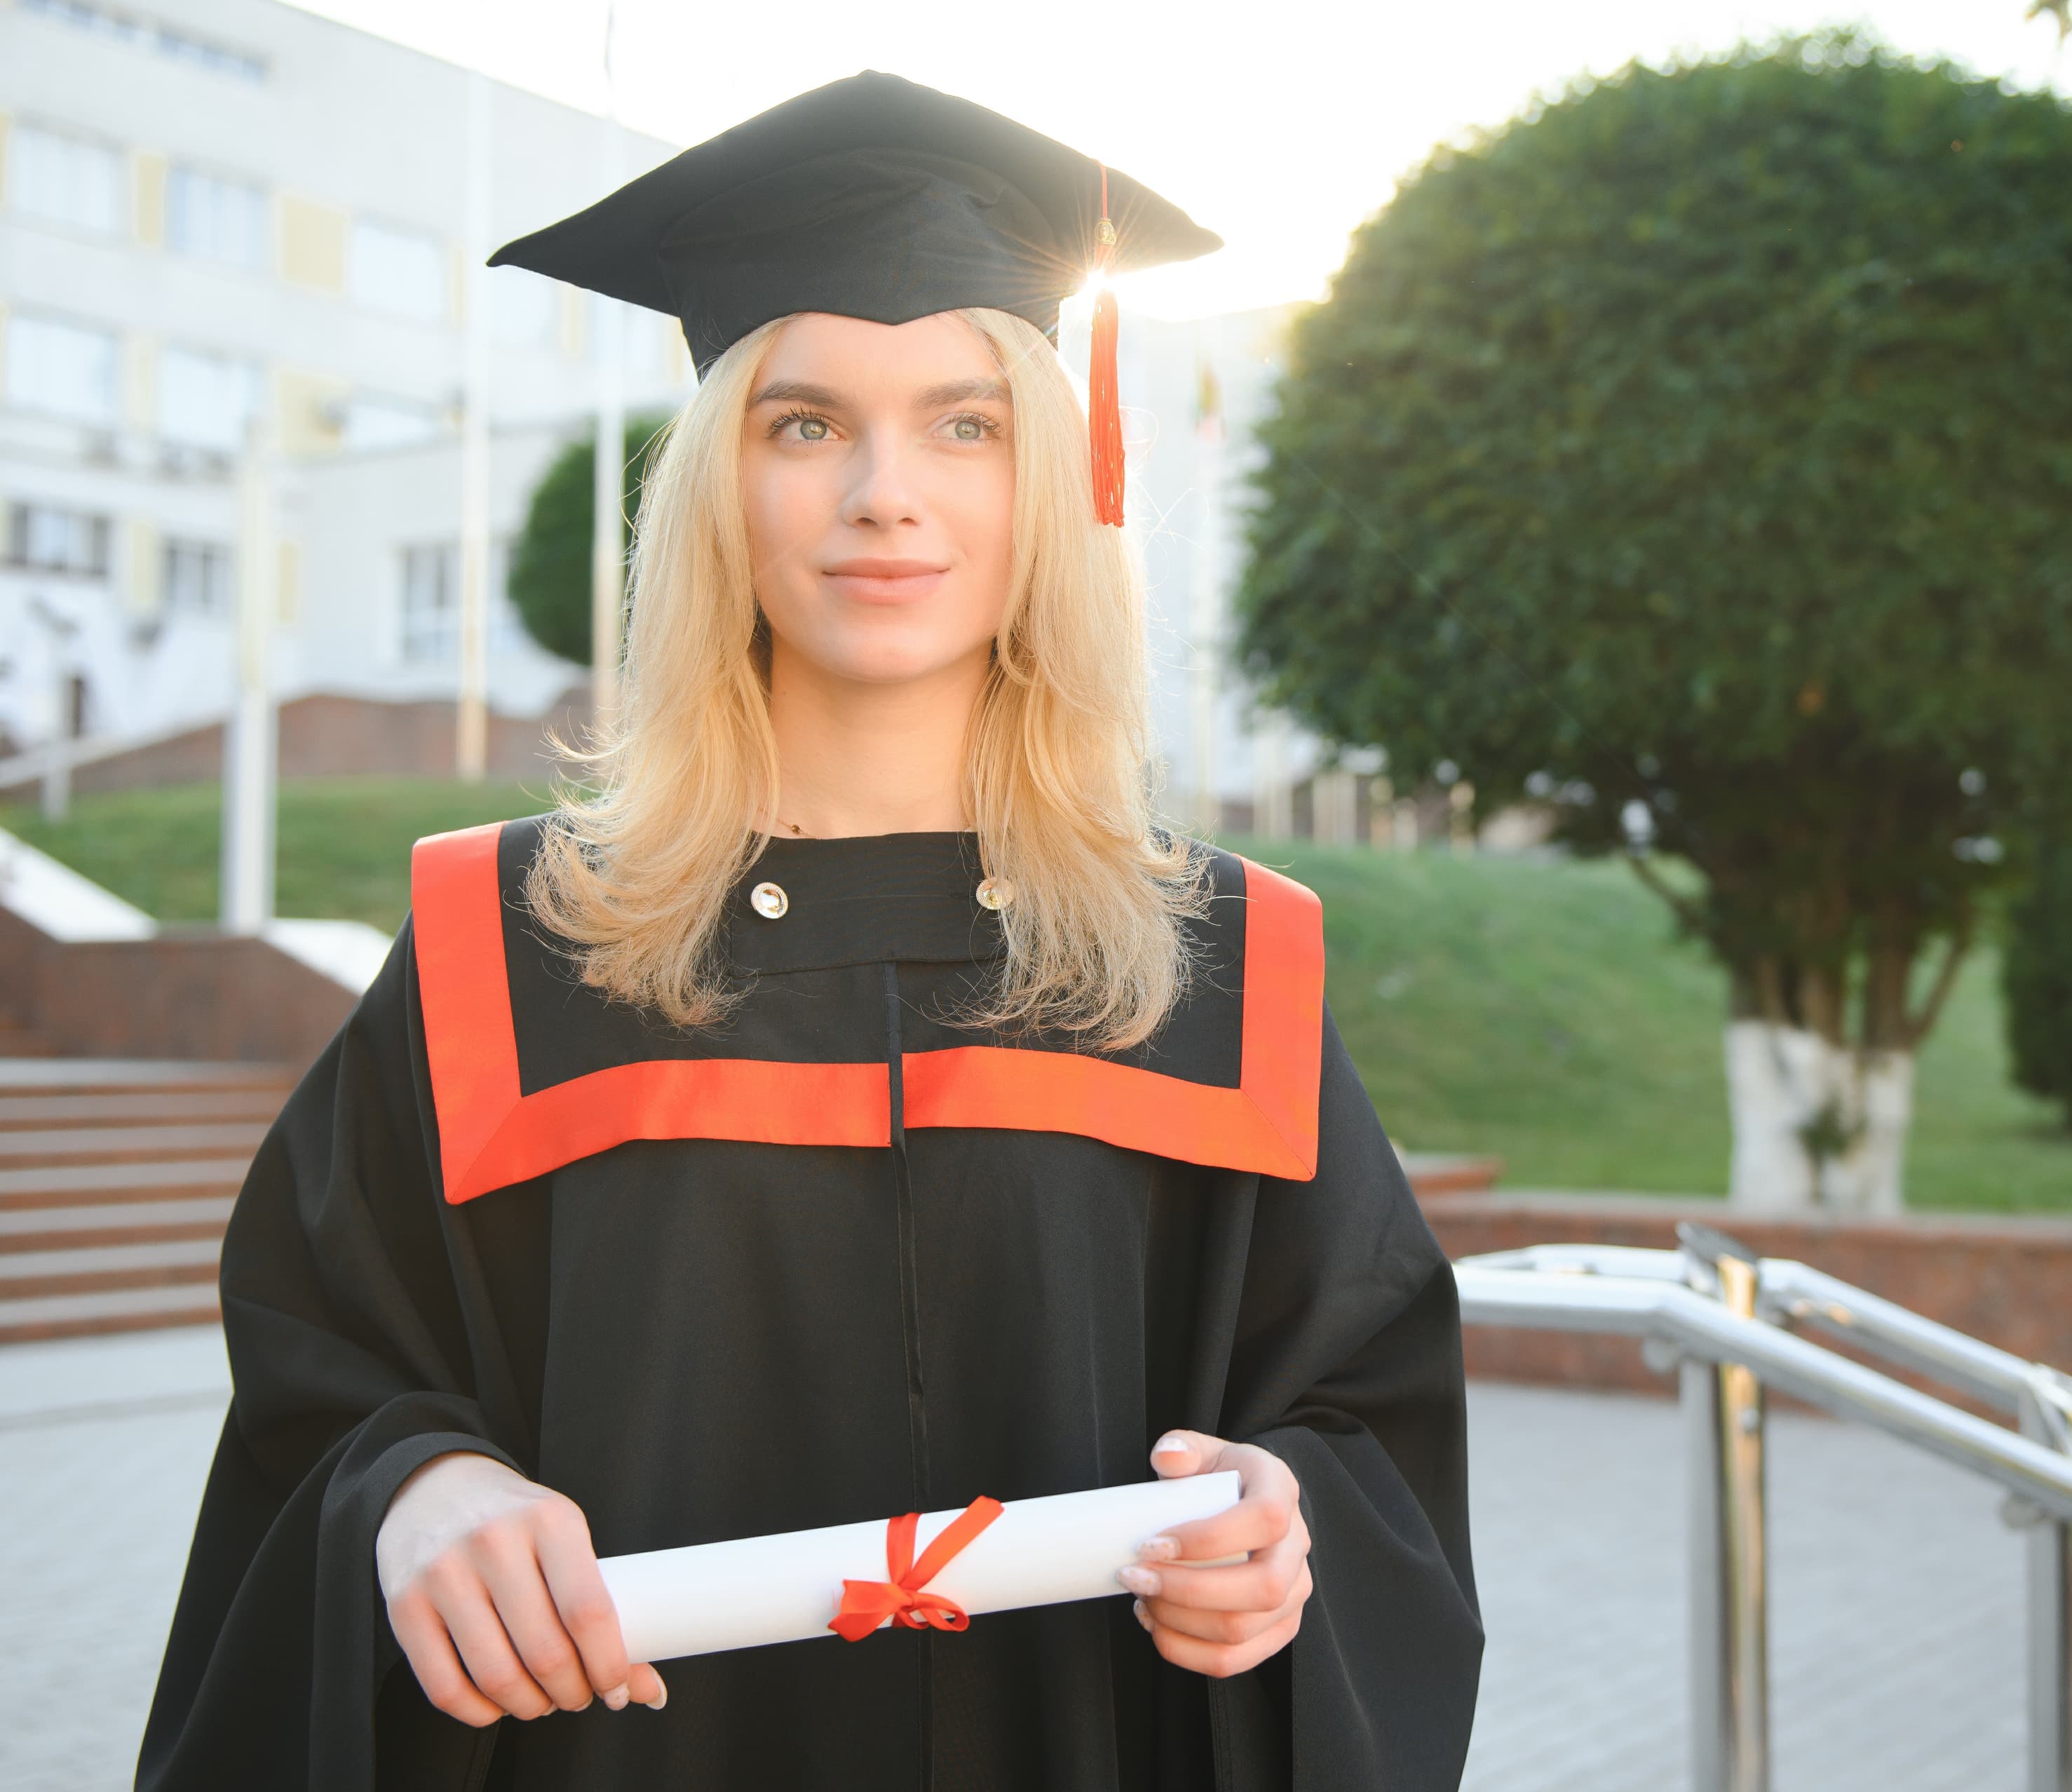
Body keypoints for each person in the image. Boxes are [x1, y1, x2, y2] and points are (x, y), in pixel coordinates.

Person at [136, 71, 1480, 1792]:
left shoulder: (1215, 967)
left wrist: (1290, 1533)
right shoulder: (513, 948)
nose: (885, 493)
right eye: (804, 422)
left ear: (1048, 480)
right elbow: (331, 1379)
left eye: (965, 421)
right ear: (721, 485)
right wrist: (418, 1492)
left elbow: (1358, 1420)